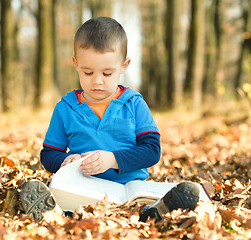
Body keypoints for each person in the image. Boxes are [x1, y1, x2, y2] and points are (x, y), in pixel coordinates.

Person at [20, 17, 200, 222]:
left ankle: (158, 212)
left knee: (139, 206)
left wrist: (113, 160)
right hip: (81, 189)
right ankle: (53, 214)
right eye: (88, 72)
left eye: (107, 73)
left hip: (129, 189)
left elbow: (152, 150)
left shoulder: (133, 104)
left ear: (124, 66)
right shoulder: (65, 108)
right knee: (70, 204)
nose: (97, 81)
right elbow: (49, 154)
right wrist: (63, 161)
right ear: (76, 64)